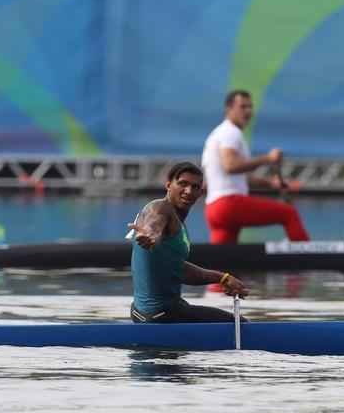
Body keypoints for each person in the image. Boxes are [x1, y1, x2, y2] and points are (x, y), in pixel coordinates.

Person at [127, 162, 249, 323]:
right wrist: (151, 234)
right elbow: (154, 223)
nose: (189, 191)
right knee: (239, 323)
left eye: (195, 187)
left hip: (140, 313)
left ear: (200, 193)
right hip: (163, 314)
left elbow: (180, 269)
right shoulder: (160, 208)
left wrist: (223, 278)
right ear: (169, 185)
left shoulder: (177, 222)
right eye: (183, 184)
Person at [201, 89, 310, 244]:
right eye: (243, 107)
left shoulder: (217, 134)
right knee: (289, 213)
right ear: (229, 109)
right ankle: (307, 259)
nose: (248, 111)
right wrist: (268, 158)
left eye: (250, 107)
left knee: (222, 263)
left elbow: (237, 176)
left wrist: (271, 183)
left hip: (214, 209)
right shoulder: (231, 132)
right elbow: (230, 166)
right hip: (229, 204)